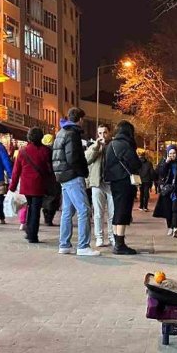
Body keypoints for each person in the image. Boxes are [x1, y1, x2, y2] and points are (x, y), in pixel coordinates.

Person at [52, 107, 99, 256]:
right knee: (84, 210)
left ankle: (64, 244)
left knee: (67, 211)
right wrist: (83, 171)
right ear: (80, 119)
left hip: (63, 176)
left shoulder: (61, 132)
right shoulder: (72, 134)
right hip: (72, 176)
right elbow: (73, 158)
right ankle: (83, 246)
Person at [102, 120, 143, 255]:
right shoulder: (125, 145)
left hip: (114, 182)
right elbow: (135, 163)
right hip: (124, 182)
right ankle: (120, 244)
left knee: (117, 210)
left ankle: (117, 241)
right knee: (123, 211)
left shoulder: (111, 145)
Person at [10, 126, 54, 243]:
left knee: (30, 207)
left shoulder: (22, 151)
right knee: (35, 209)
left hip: (26, 185)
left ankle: (29, 231)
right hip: (39, 184)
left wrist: (12, 186)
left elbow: (16, 170)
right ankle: (32, 234)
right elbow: (50, 169)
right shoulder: (46, 151)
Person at [85, 125, 115, 248]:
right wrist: (96, 147)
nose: (102, 135)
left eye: (105, 132)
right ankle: (99, 237)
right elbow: (87, 160)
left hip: (111, 184)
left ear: (109, 133)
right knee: (98, 213)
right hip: (97, 183)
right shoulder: (94, 146)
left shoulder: (113, 146)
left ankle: (112, 237)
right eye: (100, 133)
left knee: (113, 213)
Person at [40, 133, 61, 225]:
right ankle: (49, 218)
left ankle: (46, 214)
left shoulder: (41, 151)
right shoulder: (56, 151)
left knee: (45, 197)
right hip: (55, 177)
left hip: (44, 178)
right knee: (54, 198)